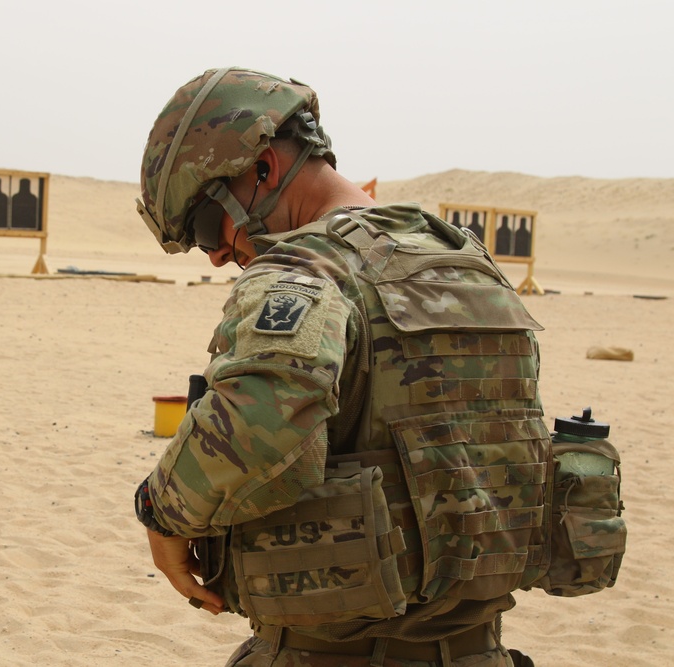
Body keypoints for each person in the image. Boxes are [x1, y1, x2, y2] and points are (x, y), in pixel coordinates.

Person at [132, 67, 627, 667]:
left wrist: (161, 515)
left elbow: (259, 424)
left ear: (262, 169)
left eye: (209, 225)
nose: (214, 255)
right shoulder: (470, 264)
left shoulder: (305, 271)